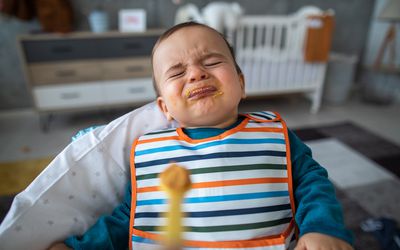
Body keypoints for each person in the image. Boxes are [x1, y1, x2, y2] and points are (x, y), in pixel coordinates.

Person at [49, 22, 353, 250]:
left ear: (241, 83)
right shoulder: (150, 151)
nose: (196, 73)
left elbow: (312, 184)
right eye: (177, 72)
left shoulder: (274, 134)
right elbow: (128, 219)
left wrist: (322, 228)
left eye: (212, 62)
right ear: (164, 107)